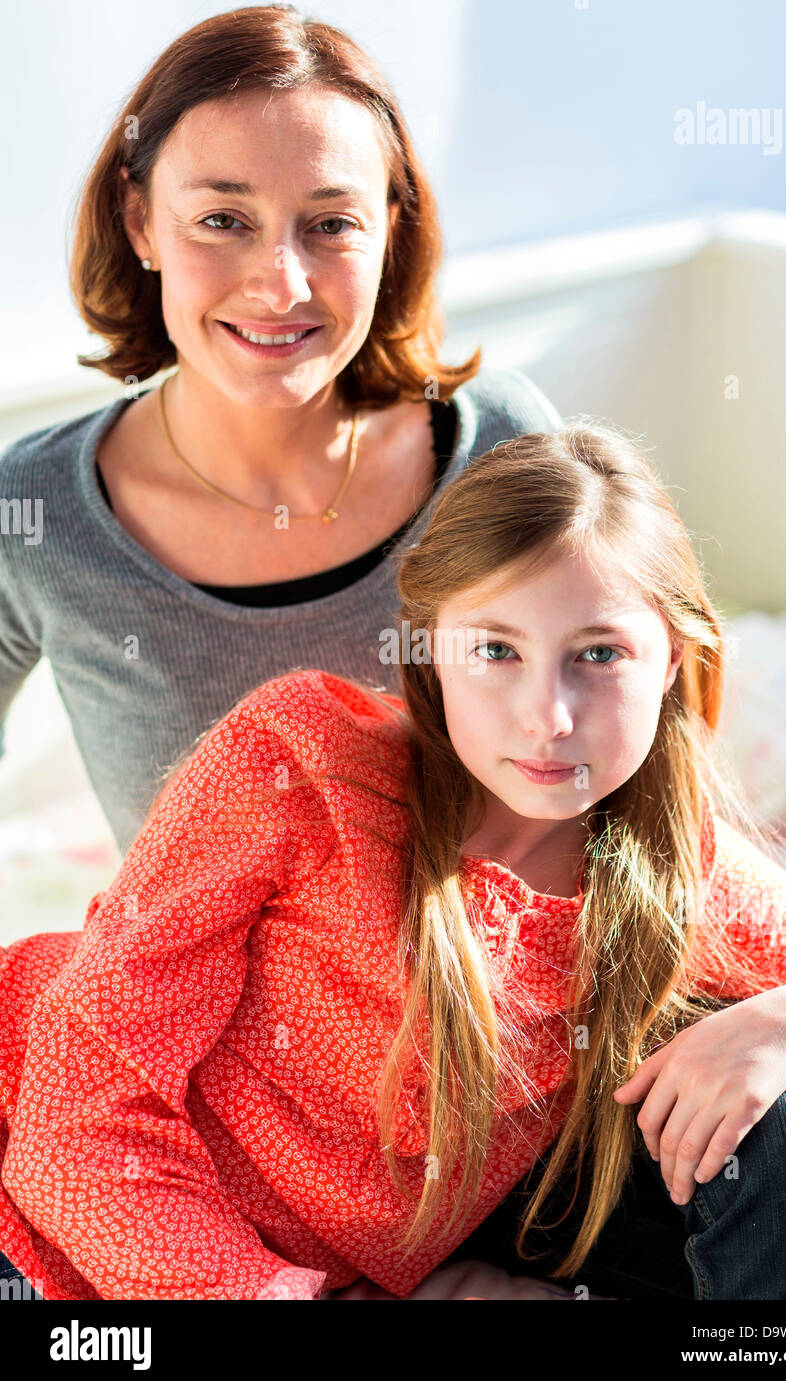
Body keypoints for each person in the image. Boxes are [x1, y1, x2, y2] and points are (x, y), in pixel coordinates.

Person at [1, 420, 786, 1302]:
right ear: (430, 650)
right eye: (496, 651)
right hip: (23, 1210)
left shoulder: (686, 878)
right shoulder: (304, 760)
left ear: (673, 660)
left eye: (598, 655)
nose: (548, 717)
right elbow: (71, 1119)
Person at [0, 3, 560, 855]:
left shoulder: (502, 450)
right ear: (140, 219)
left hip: (475, 976)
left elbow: (632, 750)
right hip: (188, 988)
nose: (280, 284)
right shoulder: (35, 511)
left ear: (390, 229)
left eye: (332, 224)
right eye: (222, 220)